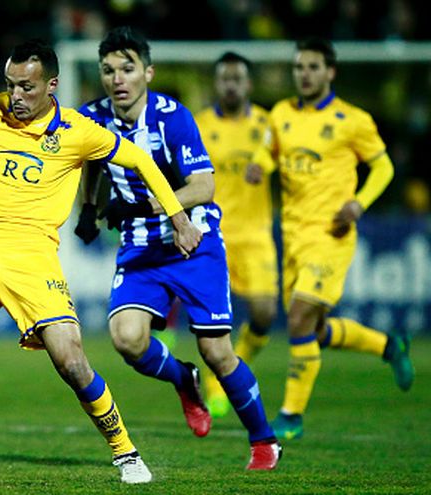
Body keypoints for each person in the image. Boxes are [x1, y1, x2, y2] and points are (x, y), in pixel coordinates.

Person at [0, 39, 202, 485]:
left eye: (27, 87)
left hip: (33, 261)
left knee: (72, 361)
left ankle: (126, 452)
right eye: (10, 85)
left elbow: (139, 159)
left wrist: (179, 218)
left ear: (51, 85)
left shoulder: (77, 131)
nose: (15, 96)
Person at [74, 27, 280, 470]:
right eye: (108, 70)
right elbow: (92, 159)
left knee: (217, 352)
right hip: (141, 248)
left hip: (193, 243)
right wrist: (88, 208)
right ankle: (183, 379)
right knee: (127, 339)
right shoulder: (92, 118)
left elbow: (204, 186)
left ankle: (264, 439)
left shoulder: (173, 117)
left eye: (127, 68)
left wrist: (143, 206)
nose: (117, 79)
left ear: (147, 73)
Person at [258, 38, 413, 440]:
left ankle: (291, 414)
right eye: (299, 67)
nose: (304, 74)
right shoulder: (281, 113)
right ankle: (389, 346)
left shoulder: (353, 120)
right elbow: (269, 153)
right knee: (314, 331)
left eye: (313, 67)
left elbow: (383, 167)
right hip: (292, 235)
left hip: (331, 235)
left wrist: (359, 203)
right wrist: (257, 167)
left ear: (330, 72)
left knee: (298, 317)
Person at [193, 52, 279, 419]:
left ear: (248, 84)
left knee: (264, 313)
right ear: (216, 84)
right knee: (214, 321)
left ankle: (232, 366)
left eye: (237, 78)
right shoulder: (199, 125)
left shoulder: (268, 124)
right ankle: (217, 384)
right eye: (224, 78)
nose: (230, 85)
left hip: (256, 234)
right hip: (213, 235)